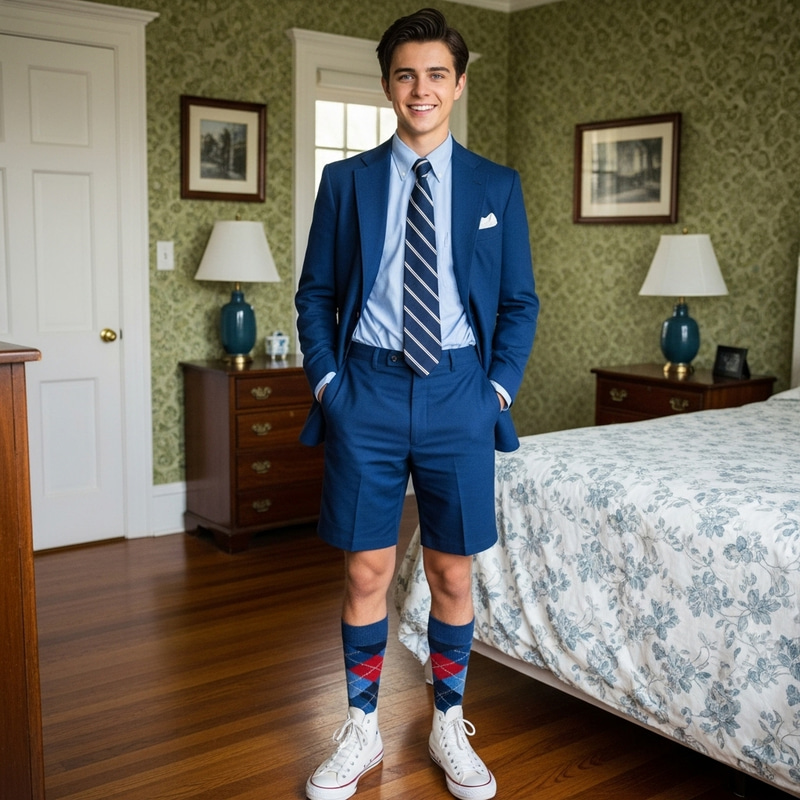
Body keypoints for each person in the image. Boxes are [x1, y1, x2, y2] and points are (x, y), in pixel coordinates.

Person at [295, 8, 538, 800]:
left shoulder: (498, 186)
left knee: (452, 572)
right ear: (387, 85)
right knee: (366, 568)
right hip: (365, 388)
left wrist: (496, 389)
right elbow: (317, 295)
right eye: (406, 74)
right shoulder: (346, 181)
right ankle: (362, 726)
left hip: (461, 393)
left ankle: (448, 719)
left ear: (459, 85)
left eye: (437, 74)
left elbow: (520, 303)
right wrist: (331, 386)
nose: (421, 89)